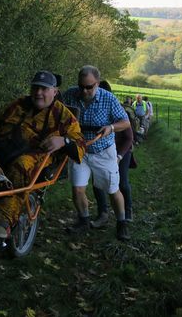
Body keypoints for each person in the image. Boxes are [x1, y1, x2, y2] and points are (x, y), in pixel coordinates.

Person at [0, 70, 85, 239]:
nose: (38, 93)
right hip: (7, 148)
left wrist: (64, 141)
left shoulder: (63, 115)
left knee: (21, 165)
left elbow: (81, 144)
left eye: (44, 89)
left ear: (54, 92)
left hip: (36, 156)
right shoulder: (19, 104)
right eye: (35, 88)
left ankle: (4, 220)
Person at [62, 66, 131, 241]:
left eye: (89, 87)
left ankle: (122, 223)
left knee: (113, 189)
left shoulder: (109, 99)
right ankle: (83, 220)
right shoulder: (70, 95)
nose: (84, 91)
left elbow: (126, 122)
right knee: (77, 188)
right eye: (81, 87)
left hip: (103, 151)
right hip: (79, 151)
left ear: (97, 83)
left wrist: (111, 127)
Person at [91, 81, 135, 224]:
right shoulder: (92, 109)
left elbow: (129, 138)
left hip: (123, 151)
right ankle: (103, 213)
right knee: (98, 183)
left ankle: (127, 212)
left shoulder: (118, 111)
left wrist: (119, 157)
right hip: (102, 152)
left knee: (122, 182)